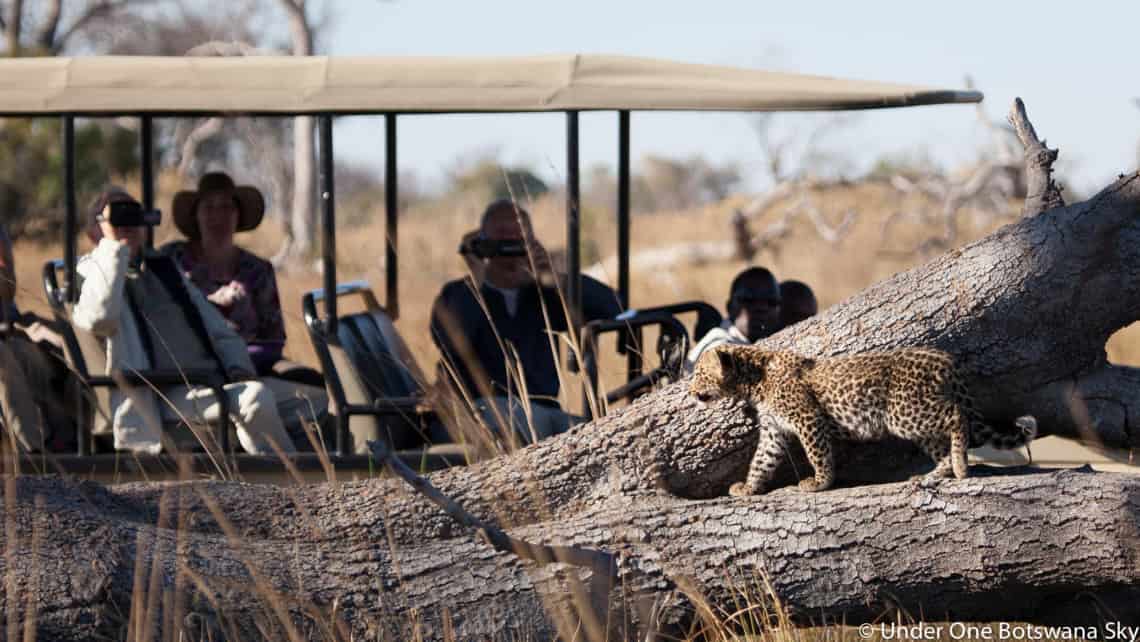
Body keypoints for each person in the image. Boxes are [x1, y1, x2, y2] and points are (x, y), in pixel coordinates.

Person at [73, 187, 296, 455]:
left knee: (310, 399)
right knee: (255, 399)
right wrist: (113, 248)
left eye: (133, 215)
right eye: (117, 216)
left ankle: (331, 470)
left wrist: (238, 367)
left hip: (207, 383)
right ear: (93, 231)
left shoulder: (164, 268)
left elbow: (220, 331)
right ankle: (287, 483)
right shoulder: (89, 272)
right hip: (156, 393)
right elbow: (100, 317)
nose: (128, 224)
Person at [431, 200, 621, 443]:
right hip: (483, 410)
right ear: (482, 243)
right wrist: (477, 281)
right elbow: (449, 342)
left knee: (600, 438)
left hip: (545, 409)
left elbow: (614, 307)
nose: (510, 243)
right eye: (501, 236)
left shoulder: (544, 295)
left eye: (518, 237)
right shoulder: (457, 294)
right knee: (512, 421)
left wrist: (553, 277)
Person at [162, 172, 327, 441]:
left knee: (312, 385)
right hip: (189, 368)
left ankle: (312, 464)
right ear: (196, 215)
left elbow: (273, 338)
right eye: (209, 207)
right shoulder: (173, 261)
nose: (219, 216)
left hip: (251, 367)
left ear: (238, 215)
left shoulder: (258, 269)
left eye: (227, 207)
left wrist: (241, 362)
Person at [685, 266, 782, 370]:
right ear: (730, 307)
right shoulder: (721, 349)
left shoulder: (767, 345)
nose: (761, 308)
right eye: (749, 300)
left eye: (771, 301)